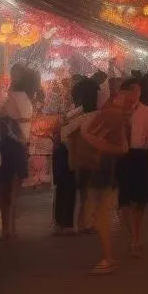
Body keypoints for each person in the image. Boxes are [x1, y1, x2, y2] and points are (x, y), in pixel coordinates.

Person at [75, 83, 130, 274]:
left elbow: (121, 147)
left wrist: (91, 140)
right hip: (105, 170)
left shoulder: (110, 115)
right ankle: (109, 257)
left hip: (104, 171)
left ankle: (108, 258)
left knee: (101, 218)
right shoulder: (115, 115)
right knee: (100, 217)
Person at [117, 78, 148, 256]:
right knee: (123, 202)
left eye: (136, 91)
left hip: (140, 156)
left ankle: (136, 237)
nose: (133, 95)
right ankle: (134, 236)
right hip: (120, 156)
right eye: (130, 91)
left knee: (139, 201)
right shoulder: (114, 113)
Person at [0, 64, 33, 240]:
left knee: (6, 190)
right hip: (17, 145)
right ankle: (9, 226)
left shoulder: (13, 98)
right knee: (12, 190)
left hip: (10, 145)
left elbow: (3, 118)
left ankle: (8, 226)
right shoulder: (25, 98)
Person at [53, 78, 86, 235]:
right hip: (69, 151)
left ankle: (61, 221)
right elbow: (65, 132)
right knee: (68, 187)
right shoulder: (80, 113)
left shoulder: (73, 111)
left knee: (63, 187)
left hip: (64, 150)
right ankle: (65, 222)